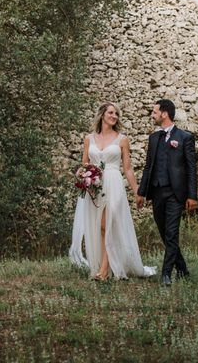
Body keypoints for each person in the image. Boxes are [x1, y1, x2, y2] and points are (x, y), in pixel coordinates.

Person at [69, 102, 156, 280]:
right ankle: (104, 266)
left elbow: (128, 168)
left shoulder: (121, 139)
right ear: (102, 115)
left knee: (107, 225)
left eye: (116, 114)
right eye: (111, 112)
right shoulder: (89, 139)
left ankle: (103, 271)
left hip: (114, 183)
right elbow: (85, 163)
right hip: (95, 186)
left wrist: (137, 191)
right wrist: (83, 174)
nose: (114, 116)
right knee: (99, 227)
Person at [136, 99, 198, 286]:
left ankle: (166, 274)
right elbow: (148, 167)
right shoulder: (153, 138)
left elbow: (190, 169)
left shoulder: (185, 137)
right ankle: (183, 268)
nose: (152, 115)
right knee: (165, 233)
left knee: (171, 233)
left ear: (164, 114)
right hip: (156, 192)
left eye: (154, 112)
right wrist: (141, 192)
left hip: (175, 193)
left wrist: (192, 195)